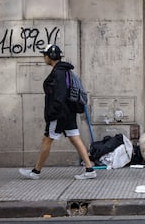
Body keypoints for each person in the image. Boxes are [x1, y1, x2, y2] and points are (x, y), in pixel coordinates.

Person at [19, 44, 96, 180]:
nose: (44, 57)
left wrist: (52, 113)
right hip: (68, 112)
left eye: (45, 55)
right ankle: (90, 169)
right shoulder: (64, 70)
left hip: (59, 113)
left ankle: (36, 172)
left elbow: (59, 95)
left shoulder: (58, 72)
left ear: (51, 56)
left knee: (47, 139)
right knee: (75, 138)